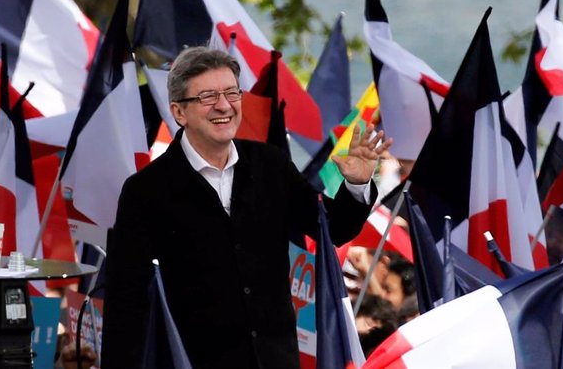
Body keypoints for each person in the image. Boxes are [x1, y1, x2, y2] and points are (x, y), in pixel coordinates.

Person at [101, 47, 392, 369]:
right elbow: (126, 299)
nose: (224, 106)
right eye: (208, 97)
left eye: (231, 93)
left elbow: (333, 229)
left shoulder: (271, 165)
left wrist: (357, 184)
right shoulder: (147, 190)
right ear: (179, 112)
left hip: (275, 360)